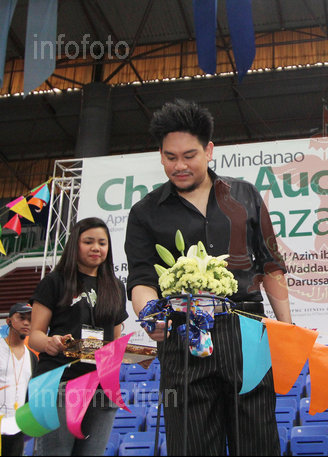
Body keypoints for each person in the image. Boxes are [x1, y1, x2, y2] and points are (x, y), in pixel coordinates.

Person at [125, 99, 292, 456]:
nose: (180, 166)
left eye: (189, 155)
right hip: (181, 336)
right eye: (170, 157)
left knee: (258, 444)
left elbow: (271, 265)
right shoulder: (144, 212)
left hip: (247, 331)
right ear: (160, 155)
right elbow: (141, 278)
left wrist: (286, 329)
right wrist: (150, 313)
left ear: (209, 150)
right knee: (191, 445)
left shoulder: (245, 195)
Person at [29, 217, 128, 456]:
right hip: (59, 383)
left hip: (102, 388)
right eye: (88, 242)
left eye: (102, 243)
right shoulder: (54, 281)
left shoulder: (116, 287)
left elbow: (114, 341)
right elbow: (34, 336)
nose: (96, 248)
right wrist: (50, 343)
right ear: (75, 244)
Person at [1, 302, 36, 456]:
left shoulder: (32, 357)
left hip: (16, 427)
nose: (26, 323)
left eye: (30, 319)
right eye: (21, 318)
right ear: (9, 321)